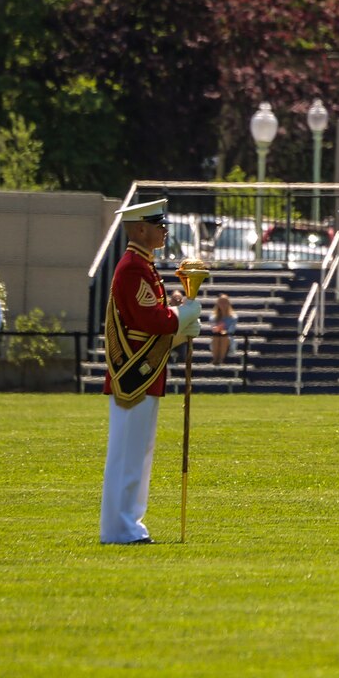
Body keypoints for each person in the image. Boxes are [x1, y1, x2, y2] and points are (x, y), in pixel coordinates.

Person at [100, 198, 201, 544]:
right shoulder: (132, 268)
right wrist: (182, 317)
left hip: (146, 372)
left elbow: (151, 316)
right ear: (140, 229)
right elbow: (148, 320)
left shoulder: (143, 266)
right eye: (159, 225)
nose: (164, 231)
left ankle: (129, 525)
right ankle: (119, 529)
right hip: (134, 374)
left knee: (138, 456)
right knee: (127, 457)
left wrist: (178, 318)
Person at [209, 294, 238, 365]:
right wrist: (217, 329)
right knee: (217, 336)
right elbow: (213, 328)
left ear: (228, 303)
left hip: (228, 340)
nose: (223, 305)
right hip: (217, 338)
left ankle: (221, 359)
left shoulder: (233, 317)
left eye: (225, 302)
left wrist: (223, 331)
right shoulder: (213, 317)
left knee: (224, 336)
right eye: (221, 302)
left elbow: (231, 331)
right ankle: (215, 359)